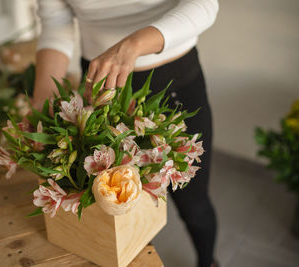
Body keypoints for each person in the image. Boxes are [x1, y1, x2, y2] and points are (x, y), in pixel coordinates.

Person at [32, 1, 219, 266]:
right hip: (103, 93)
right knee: (113, 210)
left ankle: (208, 261)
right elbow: (55, 21)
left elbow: (204, 4)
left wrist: (132, 46)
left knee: (194, 204)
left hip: (174, 86)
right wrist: (42, 99)